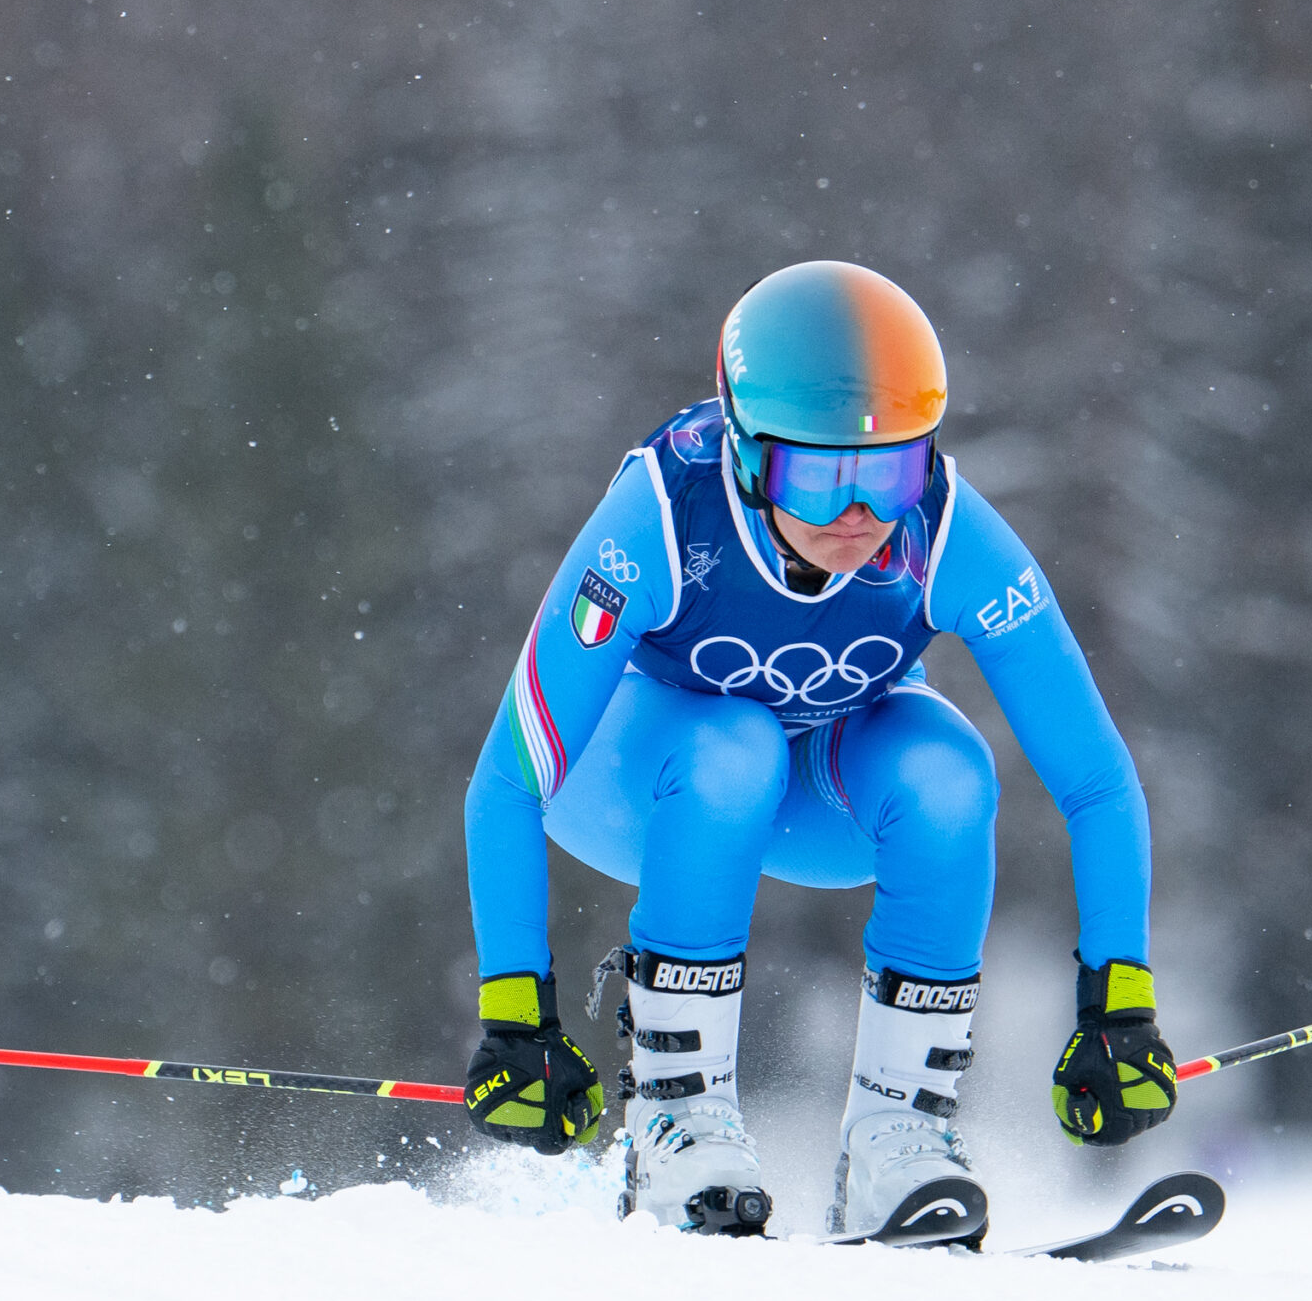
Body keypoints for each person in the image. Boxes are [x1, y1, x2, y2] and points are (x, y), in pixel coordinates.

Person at [459, 260, 1178, 1243]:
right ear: (750, 457)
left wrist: (1118, 1005)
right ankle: (676, 1119)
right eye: (819, 476)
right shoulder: (662, 517)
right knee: (735, 744)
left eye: (889, 473)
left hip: (813, 801)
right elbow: (507, 781)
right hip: (633, 787)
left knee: (948, 772)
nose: (858, 515)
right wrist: (517, 1017)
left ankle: (899, 1135)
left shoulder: (944, 530)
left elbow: (1095, 781)